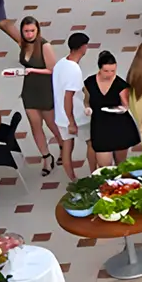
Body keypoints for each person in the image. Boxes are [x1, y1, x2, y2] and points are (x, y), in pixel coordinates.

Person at [15, 17, 66, 176]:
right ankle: (46, 157)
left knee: (52, 124)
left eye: (32, 31)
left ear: (37, 30)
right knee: (35, 125)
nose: (29, 34)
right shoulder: (23, 44)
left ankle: (63, 147)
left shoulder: (45, 46)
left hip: (44, 89)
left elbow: (52, 69)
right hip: (29, 89)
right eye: (26, 31)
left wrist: (32, 70)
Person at [85, 51, 139, 166]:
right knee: (104, 164)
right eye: (106, 71)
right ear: (99, 69)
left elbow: (126, 105)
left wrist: (122, 108)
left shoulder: (120, 84)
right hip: (100, 125)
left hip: (119, 126)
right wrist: (87, 108)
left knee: (121, 164)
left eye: (113, 71)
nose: (110, 74)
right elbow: (86, 100)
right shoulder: (89, 83)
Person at [53, 32, 91, 180]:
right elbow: (68, 97)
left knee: (67, 148)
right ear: (82, 47)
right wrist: (72, 122)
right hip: (76, 117)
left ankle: (73, 180)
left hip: (60, 117)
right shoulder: (74, 69)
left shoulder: (60, 63)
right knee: (92, 143)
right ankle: (95, 174)